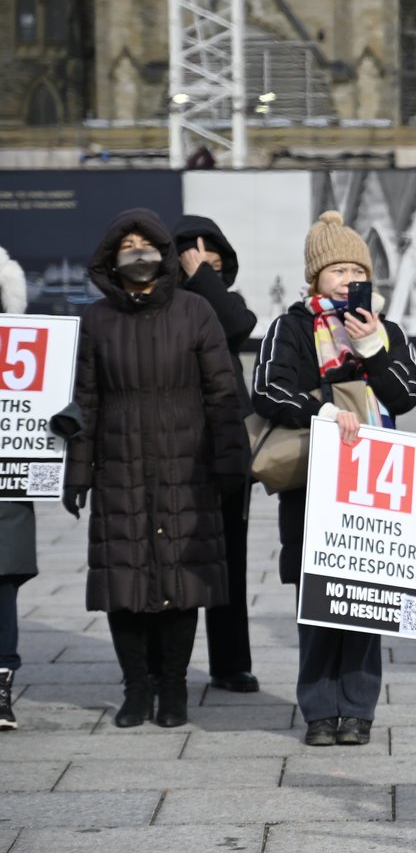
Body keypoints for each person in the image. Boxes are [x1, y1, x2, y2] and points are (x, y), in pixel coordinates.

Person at [62, 210, 249, 729]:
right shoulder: (96, 319)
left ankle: (173, 688)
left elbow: (222, 394)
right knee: (125, 582)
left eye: (147, 243)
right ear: (111, 257)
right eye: (128, 244)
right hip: (120, 465)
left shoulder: (195, 311)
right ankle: (136, 689)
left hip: (185, 464)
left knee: (180, 581)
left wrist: (231, 462)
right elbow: (85, 401)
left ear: (164, 253)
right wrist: (77, 474)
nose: (138, 252)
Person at [253, 211, 416, 745]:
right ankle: (319, 713)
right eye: (336, 270)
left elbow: (409, 395)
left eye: (357, 269)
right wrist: (323, 410)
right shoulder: (292, 328)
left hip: (375, 485)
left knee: (366, 602)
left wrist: (373, 352)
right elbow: (267, 392)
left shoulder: (386, 330)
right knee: (319, 604)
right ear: (315, 278)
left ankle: (358, 711)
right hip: (313, 487)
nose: (348, 279)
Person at [172, 215, 260, 692]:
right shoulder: (164, 309)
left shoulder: (226, 303)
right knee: (175, 559)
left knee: (231, 559)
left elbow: (237, 325)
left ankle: (231, 663)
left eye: (217, 259)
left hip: (226, 450)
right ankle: (167, 668)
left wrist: (203, 278)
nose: (207, 263)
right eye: (192, 255)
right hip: (175, 450)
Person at [0, 243, 33, 730]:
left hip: (4, 491)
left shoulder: (22, 349)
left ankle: (1, 681)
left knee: (1, 584)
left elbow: (47, 405)